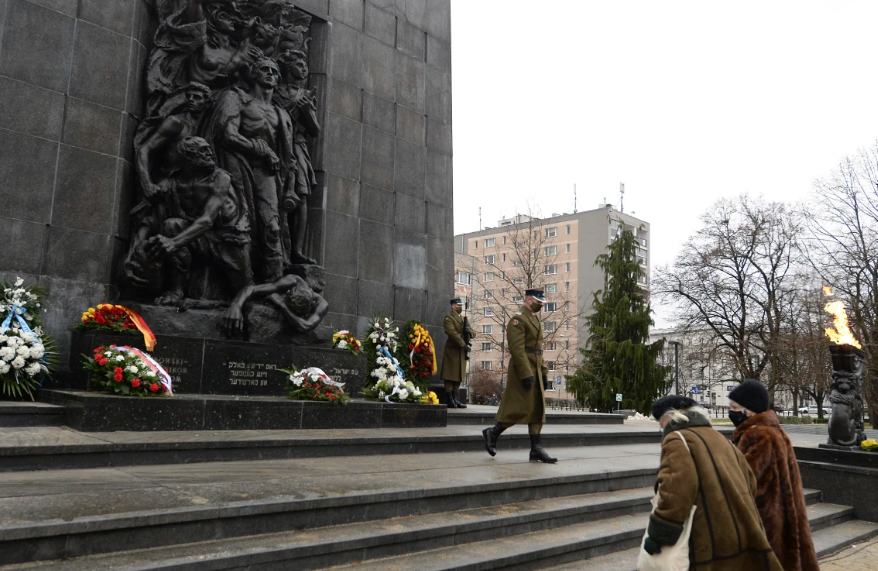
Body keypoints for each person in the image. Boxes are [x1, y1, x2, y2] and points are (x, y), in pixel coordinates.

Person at [643, 395, 784, 571]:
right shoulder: (720, 438)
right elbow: (750, 482)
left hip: (705, 538)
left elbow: (676, 491)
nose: (660, 427)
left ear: (670, 417)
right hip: (737, 533)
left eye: (660, 422)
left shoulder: (677, 439)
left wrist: (659, 535)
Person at [143, 137, 253, 305]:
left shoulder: (220, 178)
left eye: (208, 148)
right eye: (203, 150)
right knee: (171, 225)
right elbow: (151, 215)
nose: (209, 153)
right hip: (201, 239)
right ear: (187, 156)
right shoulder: (174, 182)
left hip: (229, 243)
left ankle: (217, 303)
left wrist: (174, 242)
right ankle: (176, 290)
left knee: (244, 293)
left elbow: (207, 220)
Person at [730, 380, 820, 571]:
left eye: (734, 407)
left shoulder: (758, 434)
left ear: (750, 410)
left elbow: (742, 481)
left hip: (767, 518)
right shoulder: (773, 430)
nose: (731, 412)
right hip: (781, 513)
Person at [482, 289, 556, 463]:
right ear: (529, 300)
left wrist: (544, 371)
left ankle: (535, 448)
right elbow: (517, 349)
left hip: (535, 368)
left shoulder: (535, 319)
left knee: (538, 409)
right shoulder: (518, 319)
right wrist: (525, 373)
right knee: (520, 408)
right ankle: (492, 433)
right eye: (539, 301)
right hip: (522, 369)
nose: (541, 305)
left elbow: (538, 349)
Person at [440, 298, 474, 408]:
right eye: (459, 305)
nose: (460, 307)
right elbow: (452, 333)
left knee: (459, 374)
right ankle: (450, 399)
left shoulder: (464, 319)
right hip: (453, 349)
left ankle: (456, 398)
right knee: (450, 374)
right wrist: (463, 343)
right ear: (453, 306)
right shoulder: (448, 318)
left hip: (461, 351)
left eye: (461, 305)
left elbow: (473, 332)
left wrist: (469, 333)